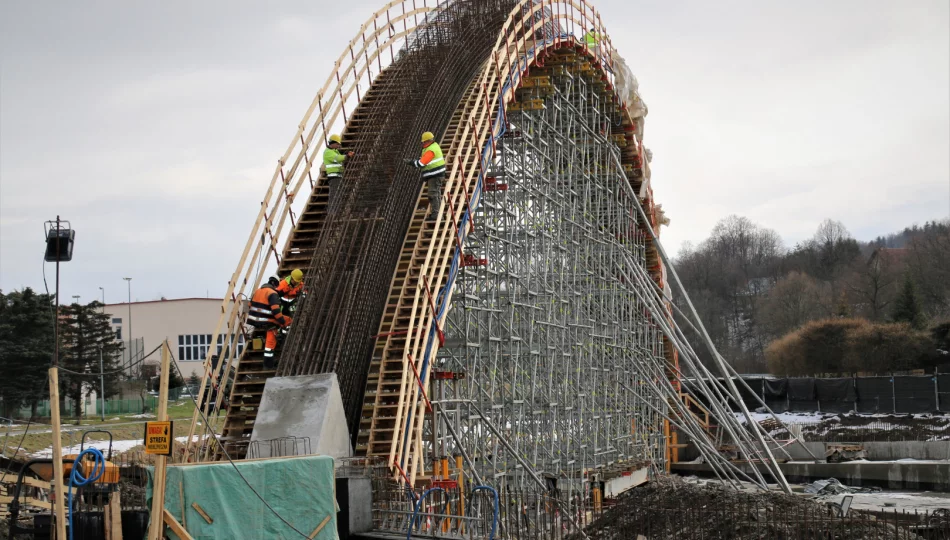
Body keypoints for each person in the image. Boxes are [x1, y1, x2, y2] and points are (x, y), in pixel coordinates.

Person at [247, 276, 292, 369]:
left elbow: (249, 304)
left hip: (254, 320)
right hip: (267, 321)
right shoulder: (272, 293)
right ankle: (268, 365)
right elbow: (276, 312)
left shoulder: (258, 291)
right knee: (270, 343)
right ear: (274, 284)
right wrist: (282, 322)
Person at [404, 131, 446, 222]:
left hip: (435, 175)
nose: (422, 143)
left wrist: (410, 162)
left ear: (428, 141)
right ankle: (438, 214)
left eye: (423, 141)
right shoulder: (431, 147)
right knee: (436, 194)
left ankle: (436, 215)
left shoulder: (431, 150)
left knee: (433, 194)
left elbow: (421, 163)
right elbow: (425, 160)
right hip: (436, 175)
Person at [324, 134, 354, 202]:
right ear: (333, 143)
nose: (338, 146)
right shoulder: (328, 152)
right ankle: (332, 212)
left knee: (339, 195)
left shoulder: (335, 151)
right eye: (337, 144)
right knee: (334, 196)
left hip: (338, 176)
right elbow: (337, 158)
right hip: (334, 177)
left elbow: (340, 159)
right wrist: (347, 156)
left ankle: (334, 211)